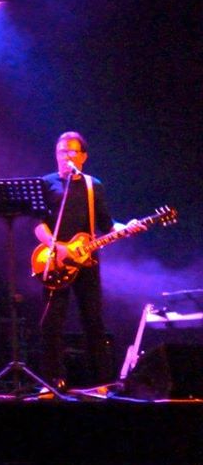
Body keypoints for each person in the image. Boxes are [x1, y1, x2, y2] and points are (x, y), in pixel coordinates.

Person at [34, 132, 144, 390]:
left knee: (93, 321)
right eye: (62, 151)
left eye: (72, 151)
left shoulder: (94, 185)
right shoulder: (46, 183)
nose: (66, 156)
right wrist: (57, 247)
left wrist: (127, 227)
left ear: (83, 156)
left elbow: (107, 225)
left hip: (87, 261)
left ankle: (102, 382)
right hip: (56, 260)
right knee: (52, 321)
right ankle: (52, 381)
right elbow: (37, 225)